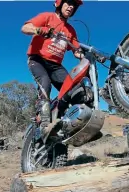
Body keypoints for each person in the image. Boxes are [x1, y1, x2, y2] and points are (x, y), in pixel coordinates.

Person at [21, 0, 84, 143]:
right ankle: (44, 125)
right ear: (59, 4)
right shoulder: (47, 17)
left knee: (74, 89)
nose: (71, 7)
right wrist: (38, 30)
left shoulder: (70, 30)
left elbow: (76, 51)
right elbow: (25, 28)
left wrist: (87, 55)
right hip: (37, 60)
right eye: (69, 3)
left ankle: (63, 121)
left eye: (74, 5)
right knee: (45, 83)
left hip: (56, 66)